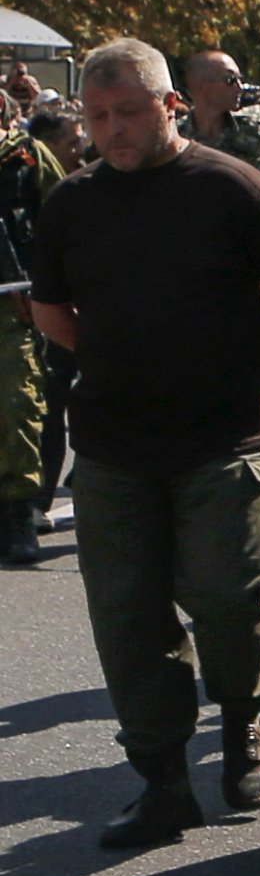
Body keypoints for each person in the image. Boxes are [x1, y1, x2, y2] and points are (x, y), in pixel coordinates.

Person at [28, 38, 260, 845]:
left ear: (169, 106)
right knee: (128, 614)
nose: (115, 130)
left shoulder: (232, 186)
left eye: (130, 112)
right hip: (115, 445)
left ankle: (243, 727)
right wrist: (117, 357)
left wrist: (242, 360)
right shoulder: (72, 203)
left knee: (229, 596)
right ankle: (161, 778)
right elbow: (51, 311)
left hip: (221, 435)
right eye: (99, 117)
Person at [0, 112, 62, 564]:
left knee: (19, 404)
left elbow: (64, 217)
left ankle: (20, 514)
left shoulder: (28, 155)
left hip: (14, 306)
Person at [180, 52, 260, 163]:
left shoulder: (257, 131)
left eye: (240, 79)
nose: (240, 88)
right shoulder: (176, 136)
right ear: (201, 85)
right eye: (230, 80)